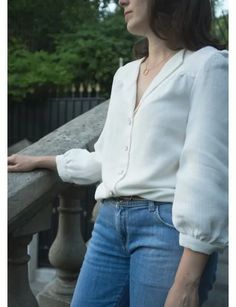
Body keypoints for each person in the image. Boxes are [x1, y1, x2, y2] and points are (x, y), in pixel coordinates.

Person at [8, 0, 228, 306]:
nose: (122, 0)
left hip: (165, 230)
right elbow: (110, 157)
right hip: (108, 225)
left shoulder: (208, 65)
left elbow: (207, 172)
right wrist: (44, 160)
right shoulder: (125, 75)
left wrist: (187, 281)